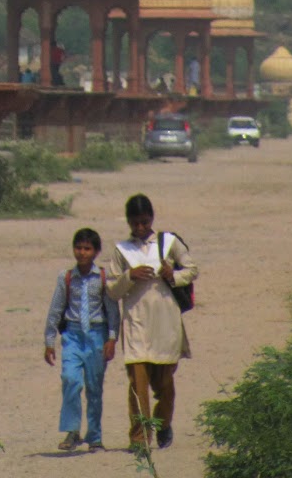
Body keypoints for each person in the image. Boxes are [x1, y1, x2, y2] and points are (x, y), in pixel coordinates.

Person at [107, 193, 197, 452]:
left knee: (164, 385)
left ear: (152, 218)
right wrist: (130, 276)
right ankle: (139, 438)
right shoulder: (122, 250)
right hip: (136, 324)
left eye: (144, 222)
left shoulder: (169, 244)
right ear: (128, 222)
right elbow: (112, 290)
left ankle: (163, 422)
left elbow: (193, 269)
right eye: (135, 223)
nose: (140, 228)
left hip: (166, 325)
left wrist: (173, 274)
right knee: (138, 385)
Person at [43, 227, 119, 452]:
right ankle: (72, 430)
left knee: (94, 388)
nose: (82, 253)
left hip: (97, 335)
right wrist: (49, 341)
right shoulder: (66, 277)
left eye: (87, 248)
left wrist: (112, 338)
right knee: (70, 379)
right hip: (73, 335)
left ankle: (94, 437)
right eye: (79, 247)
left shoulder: (103, 278)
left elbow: (112, 311)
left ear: (96, 251)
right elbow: (55, 309)